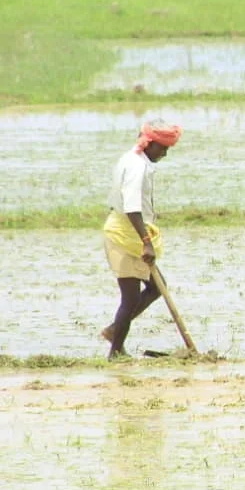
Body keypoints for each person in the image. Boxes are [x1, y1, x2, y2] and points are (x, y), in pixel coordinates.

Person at [100, 119, 182, 359]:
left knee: (157, 287)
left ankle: (115, 331)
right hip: (125, 235)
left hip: (129, 231)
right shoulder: (136, 166)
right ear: (149, 144)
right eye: (163, 148)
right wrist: (146, 241)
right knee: (131, 297)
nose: (165, 153)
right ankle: (115, 351)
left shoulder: (133, 159)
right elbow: (132, 207)